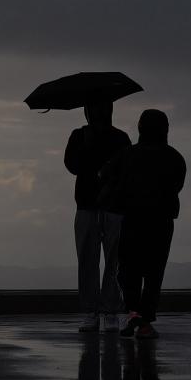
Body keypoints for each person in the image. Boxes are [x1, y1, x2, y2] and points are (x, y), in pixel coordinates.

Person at [98, 108, 186, 338]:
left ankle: (133, 316)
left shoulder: (127, 155)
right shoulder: (174, 157)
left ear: (140, 128)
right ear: (164, 129)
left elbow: (104, 174)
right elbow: (177, 185)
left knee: (129, 271)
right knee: (154, 272)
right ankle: (146, 321)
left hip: (132, 220)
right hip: (161, 222)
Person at [62, 98, 129, 331]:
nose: (98, 112)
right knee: (90, 260)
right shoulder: (80, 136)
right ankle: (93, 311)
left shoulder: (120, 138)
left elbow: (125, 171)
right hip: (90, 206)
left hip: (111, 208)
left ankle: (108, 310)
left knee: (112, 261)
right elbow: (71, 164)